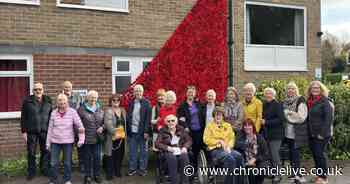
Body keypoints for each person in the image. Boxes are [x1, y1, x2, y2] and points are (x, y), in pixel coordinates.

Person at [46, 94, 85, 184]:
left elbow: (80, 126)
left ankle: (67, 180)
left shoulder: (72, 112)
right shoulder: (53, 113)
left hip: (68, 142)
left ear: (67, 102)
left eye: (64, 101)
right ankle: (53, 180)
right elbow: (50, 129)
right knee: (53, 163)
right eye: (60, 101)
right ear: (57, 102)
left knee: (67, 163)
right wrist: (48, 143)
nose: (62, 103)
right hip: (55, 142)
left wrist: (81, 139)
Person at [203, 106, 244, 184]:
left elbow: (232, 138)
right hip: (215, 150)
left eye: (220, 115)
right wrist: (218, 141)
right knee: (230, 159)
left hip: (227, 148)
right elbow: (206, 139)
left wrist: (229, 147)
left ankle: (239, 182)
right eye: (216, 115)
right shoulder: (209, 126)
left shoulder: (228, 126)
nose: (218, 116)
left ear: (223, 116)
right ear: (213, 116)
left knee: (239, 156)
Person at [20, 82, 52, 180]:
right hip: (31, 131)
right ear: (33, 91)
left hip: (44, 130)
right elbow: (23, 117)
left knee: (46, 151)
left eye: (40, 89)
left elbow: (51, 116)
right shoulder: (27, 101)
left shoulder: (48, 100)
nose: (38, 91)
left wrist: (51, 130)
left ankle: (44, 169)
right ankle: (31, 171)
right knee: (31, 152)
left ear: (43, 90)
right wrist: (23, 131)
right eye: (36, 89)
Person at [306, 81, 334, 184]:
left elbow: (328, 119)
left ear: (321, 89)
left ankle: (324, 177)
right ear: (310, 90)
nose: (315, 89)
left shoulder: (325, 101)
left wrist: (322, 134)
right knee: (315, 155)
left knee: (320, 154)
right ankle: (319, 175)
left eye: (317, 88)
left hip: (322, 134)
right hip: (312, 133)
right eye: (313, 88)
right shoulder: (309, 101)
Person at [282, 82, 308, 183]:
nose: (290, 90)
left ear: (296, 90)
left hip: (297, 132)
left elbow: (302, 117)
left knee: (296, 154)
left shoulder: (301, 100)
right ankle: (294, 174)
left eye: (292, 88)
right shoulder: (285, 102)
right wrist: (288, 115)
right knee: (292, 154)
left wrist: (290, 115)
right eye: (288, 89)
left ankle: (299, 176)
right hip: (287, 132)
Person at [155, 114, 192, 184]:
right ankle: (175, 182)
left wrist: (185, 147)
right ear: (166, 123)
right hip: (169, 151)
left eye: (173, 120)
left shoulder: (181, 129)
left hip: (180, 149)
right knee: (172, 159)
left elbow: (189, 140)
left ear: (176, 122)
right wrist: (167, 148)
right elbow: (157, 143)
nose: (171, 123)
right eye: (168, 121)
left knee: (184, 157)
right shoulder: (162, 130)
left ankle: (185, 182)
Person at [78, 90, 104, 184]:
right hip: (86, 139)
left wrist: (102, 127)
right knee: (87, 158)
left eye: (95, 97)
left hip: (97, 138)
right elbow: (77, 123)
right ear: (87, 98)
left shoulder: (100, 108)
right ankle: (87, 176)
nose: (93, 99)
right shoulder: (81, 109)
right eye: (91, 97)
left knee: (97, 157)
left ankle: (97, 175)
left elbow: (104, 121)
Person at [177, 85, 205, 172]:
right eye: (189, 92)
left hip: (199, 130)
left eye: (192, 92)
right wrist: (185, 126)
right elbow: (180, 118)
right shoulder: (182, 105)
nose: (190, 94)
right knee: (189, 150)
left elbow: (203, 115)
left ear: (195, 94)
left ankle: (197, 168)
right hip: (188, 131)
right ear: (186, 94)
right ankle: (189, 168)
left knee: (197, 149)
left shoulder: (198, 104)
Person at [126, 84, 152, 176]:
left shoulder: (147, 103)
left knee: (143, 152)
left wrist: (146, 131)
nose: (138, 93)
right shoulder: (131, 103)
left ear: (142, 92)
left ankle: (142, 169)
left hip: (142, 132)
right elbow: (128, 116)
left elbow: (148, 119)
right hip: (132, 131)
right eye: (136, 91)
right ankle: (132, 168)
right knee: (132, 151)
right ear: (134, 92)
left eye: (140, 91)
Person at [235, 119, 269, 184]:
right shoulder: (240, 135)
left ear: (253, 127)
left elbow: (265, 153)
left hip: (258, 159)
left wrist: (255, 159)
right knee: (250, 170)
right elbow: (236, 145)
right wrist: (247, 144)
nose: (247, 127)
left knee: (262, 169)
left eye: (249, 125)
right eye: (245, 125)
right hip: (245, 161)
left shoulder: (259, 137)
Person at [262, 87, 284, 184]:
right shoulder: (265, 104)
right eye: (266, 93)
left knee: (275, 155)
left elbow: (280, 120)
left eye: (270, 93)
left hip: (276, 135)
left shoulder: (277, 105)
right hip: (267, 134)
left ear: (273, 95)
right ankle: (273, 172)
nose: (268, 95)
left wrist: (266, 122)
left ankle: (278, 175)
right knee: (270, 155)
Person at [61, 80, 85, 173]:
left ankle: (81, 164)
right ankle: (68, 165)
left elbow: (82, 108)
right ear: (63, 88)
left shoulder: (78, 97)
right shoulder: (61, 98)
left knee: (80, 146)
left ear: (72, 87)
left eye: (69, 87)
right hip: (66, 127)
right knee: (67, 146)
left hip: (77, 126)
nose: (67, 88)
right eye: (65, 87)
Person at [103, 94, 126, 180]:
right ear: (111, 101)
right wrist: (115, 132)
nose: (116, 102)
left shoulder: (123, 110)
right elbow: (107, 124)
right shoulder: (108, 110)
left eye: (118, 100)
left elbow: (125, 123)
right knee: (110, 155)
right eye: (114, 100)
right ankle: (109, 173)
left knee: (120, 155)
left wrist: (122, 134)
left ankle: (117, 171)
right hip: (112, 137)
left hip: (122, 137)